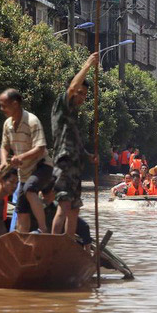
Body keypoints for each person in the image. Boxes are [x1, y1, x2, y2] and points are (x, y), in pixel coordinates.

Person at [50, 52, 99, 237]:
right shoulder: (62, 105)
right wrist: (87, 65)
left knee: (74, 209)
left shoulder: (73, 118)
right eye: (80, 93)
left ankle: (69, 244)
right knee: (64, 206)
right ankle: (54, 246)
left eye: (85, 95)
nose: (81, 97)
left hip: (75, 167)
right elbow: (72, 88)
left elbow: (77, 145)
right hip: (64, 164)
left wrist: (89, 157)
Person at [0, 88, 53, 234]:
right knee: (21, 210)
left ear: (15, 104)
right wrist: (4, 161)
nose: (1, 109)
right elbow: (4, 147)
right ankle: (22, 241)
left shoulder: (32, 121)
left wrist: (20, 157)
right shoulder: (7, 124)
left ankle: (42, 229)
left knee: (29, 189)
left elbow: (40, 148)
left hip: (42, 167)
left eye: (4, 105)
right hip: (24, 172)